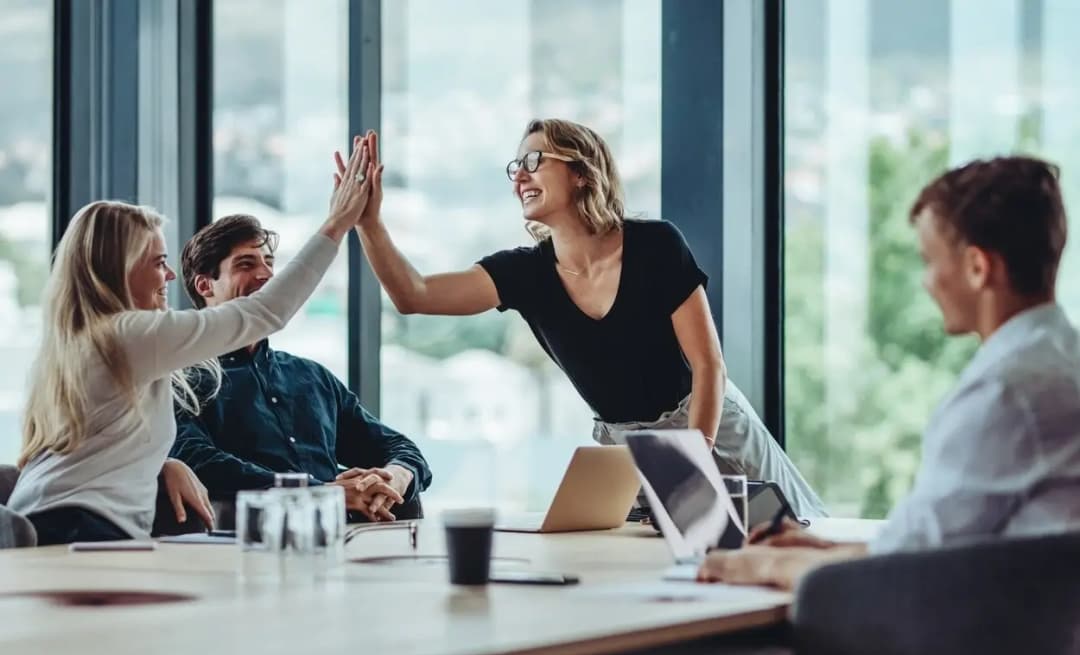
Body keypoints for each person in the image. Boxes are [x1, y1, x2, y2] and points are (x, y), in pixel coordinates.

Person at [337, 119, 826, 517]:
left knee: (795, 539)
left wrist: (691, 462)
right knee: (656, 574)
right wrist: (370, 223)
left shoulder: (656, 245)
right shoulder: (524, 273)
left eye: (534, 161)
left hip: (708, 424)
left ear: (581, 172)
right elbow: (413, 294)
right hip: (625, 449)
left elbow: (708, 366)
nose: (519, 176)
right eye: (515, 167)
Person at [698, 156, 1080, 590]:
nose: (926, 282)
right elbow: (930, 544)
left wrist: (758, 567)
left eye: (930, 261)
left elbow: (906, 572)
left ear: (978, 268)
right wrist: (820, 550)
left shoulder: (1007, 392)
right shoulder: (1060, 362)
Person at [8, 136, 375, 545]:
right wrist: (337, 224)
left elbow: (97, 444)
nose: (169, 276)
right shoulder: (125, 335)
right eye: (158, 262)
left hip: (47, 520)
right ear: (119, 268)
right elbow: (265, 312)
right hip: (76, 529)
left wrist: (163, 464)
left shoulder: (81, 341)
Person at [170, 213, 431, 522]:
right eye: (246, 264)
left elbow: (398, 446)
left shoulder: (311, 377)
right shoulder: (181, 380)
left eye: (269, 262)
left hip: (348, 543)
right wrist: (320, 492)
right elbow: (198, 460)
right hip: (250, 546)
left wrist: (394, 478)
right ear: (205, 285)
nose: (267, 275)